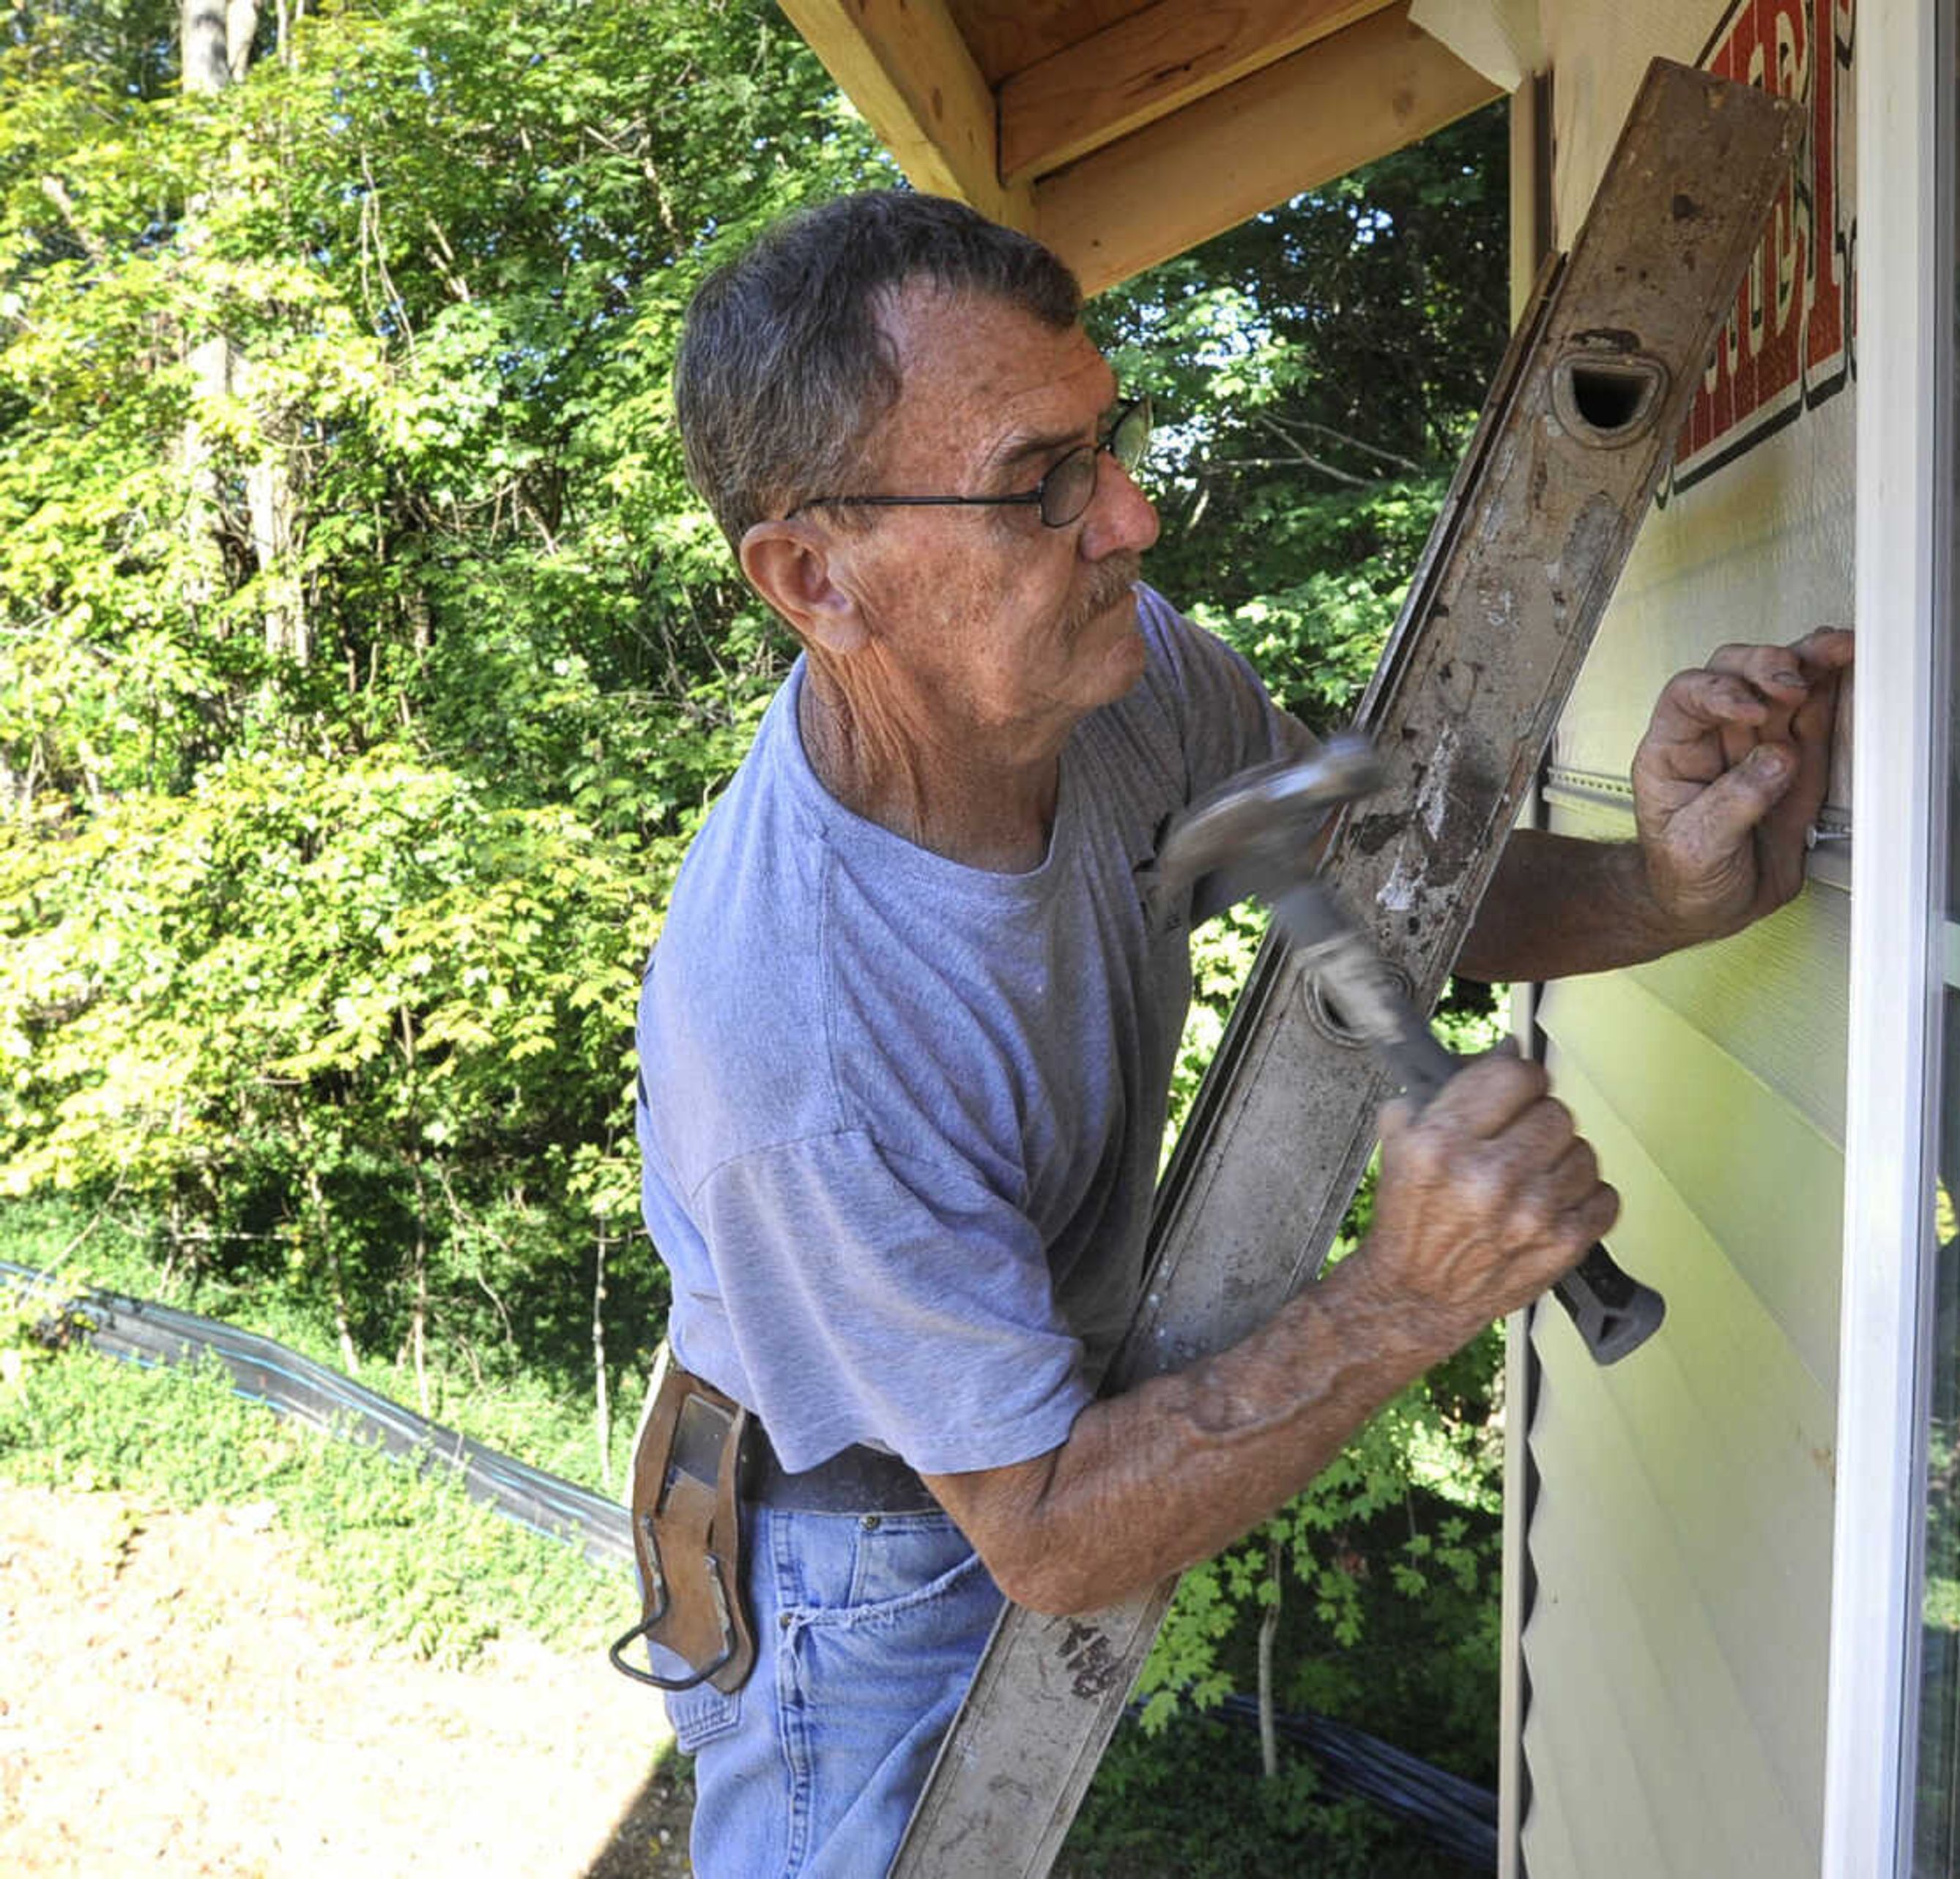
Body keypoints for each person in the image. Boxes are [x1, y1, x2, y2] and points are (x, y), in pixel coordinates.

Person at [631, 188, 1852, 1877]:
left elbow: (1403, 895)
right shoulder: (809, 1040)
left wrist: (1667, 888)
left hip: (997, 1422)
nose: (1129, 516)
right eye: (1036, 483)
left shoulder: (1120, 680)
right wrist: (1407, 1294)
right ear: (813, 575)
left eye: (1108, 444)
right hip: (871, 1555)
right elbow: (1050, 1535)